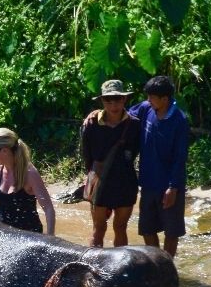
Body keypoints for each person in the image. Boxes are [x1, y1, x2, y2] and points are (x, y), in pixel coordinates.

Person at [128, 76, 189, 257]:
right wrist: (99, 114)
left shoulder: (179, 120)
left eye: (152, 97)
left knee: (171, 231)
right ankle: (157, 264)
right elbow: (124, 114)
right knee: (147, 228)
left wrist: (173, 187)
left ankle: (168, 266)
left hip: (168, 186)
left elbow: (180, 157)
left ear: (165, 99)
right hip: (148, 183)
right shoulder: (147, 109)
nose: (148, 100)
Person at [80, 79, 141, 248]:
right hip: (100, 181)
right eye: (108, 99)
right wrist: (92, 179)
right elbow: (87, 155)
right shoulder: (91, 124)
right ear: (102, 101)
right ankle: (92, 268)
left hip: (125, 181)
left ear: (124, 100)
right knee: (98, 228)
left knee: (120, 227)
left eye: (117, 98)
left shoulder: (134, 124)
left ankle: (120, 270)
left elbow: (135, 151)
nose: (113, 103)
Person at [0, 128, 56, 235]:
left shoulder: (30, 174)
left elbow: (48, 208)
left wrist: (50, 237)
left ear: (4, 151)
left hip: (27, 235)